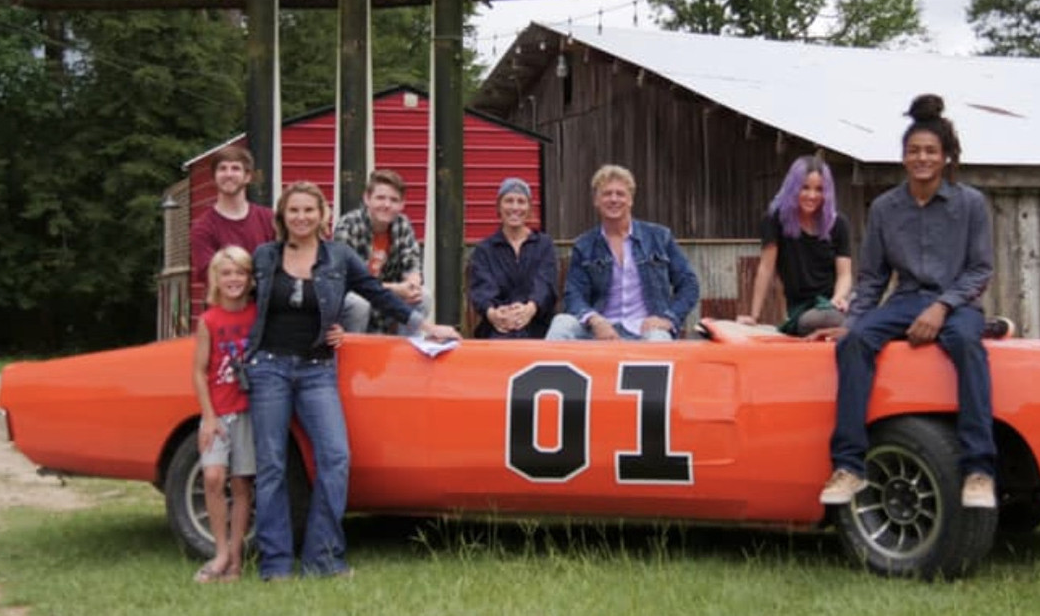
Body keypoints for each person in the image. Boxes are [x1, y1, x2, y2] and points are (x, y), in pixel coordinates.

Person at [242, 181, 459, 581]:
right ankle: (275, 563)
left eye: (309, 210)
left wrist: (426, 327)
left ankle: (322, 556)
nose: (302, 217)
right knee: (271, 465)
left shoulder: (338, 257)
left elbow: (378, 294)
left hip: (317, 369)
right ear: (282, 216)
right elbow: (236, 297)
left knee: (336, 457)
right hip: (269, 368)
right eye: (294, 211)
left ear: (323, 215)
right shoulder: (264, 256)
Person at [817, 94, 998, 510]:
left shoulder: (970, 204)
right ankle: (848, 467)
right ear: (903, 157)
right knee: (855, 343)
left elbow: (979, 270)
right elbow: (874, 276)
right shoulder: (885, 207)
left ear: (946, 157)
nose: (922, 158)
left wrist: (942, 308)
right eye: (914, 150)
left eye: (931, 151)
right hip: (905, 300)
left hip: (956, 303)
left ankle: (978, 470)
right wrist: (851, 324)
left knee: (968, 347)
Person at [546, 164, 700, 341]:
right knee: (561, 323)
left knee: (659, 340)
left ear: (631, 200)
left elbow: (689, 284)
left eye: (620, 194)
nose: (613, 199)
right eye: (606, 193)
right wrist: (595, 321)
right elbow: (573, 294)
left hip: (646, 329)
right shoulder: (584, 245)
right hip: (599, 329)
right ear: (596, 200)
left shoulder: (659, 237)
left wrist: (668, 319)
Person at [189, 246, 256, 584]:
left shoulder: (257, 315)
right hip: (219, 412)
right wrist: (209, 416)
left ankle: (236, 560)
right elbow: (200, 372)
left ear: (249, 278)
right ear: (217, 278)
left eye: (240, 273)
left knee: (242, 483)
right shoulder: (210, 320)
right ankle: (221, 551)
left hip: (248, 412)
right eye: (227, 273)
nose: (234, 279)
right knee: (214, 477)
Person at [736, 155, 852, 336]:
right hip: (805, 310)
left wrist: (838, 298)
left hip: (835, 303)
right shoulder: (774, 220)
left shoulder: (838, 224)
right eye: (805, 188)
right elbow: (766, 268)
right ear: (793, 188)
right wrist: (754, 316)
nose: (812, 195)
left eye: (819, 189)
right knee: (825, 318)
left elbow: (844, 274)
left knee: (864, 306)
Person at [332, 169, 428, 334]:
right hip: (355, 296)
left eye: (394, 200)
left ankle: (407, 354)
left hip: (388, 297)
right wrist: (397, 289)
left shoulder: (402, 224)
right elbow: (347, 280)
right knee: (359, 304)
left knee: (422, 297)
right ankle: (354, 355)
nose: (387, 205)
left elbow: (411, 262)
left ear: (402, 204)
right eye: (380, 198)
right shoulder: (348, 225)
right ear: (367, 199)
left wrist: (413, 282)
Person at [469, 177, 558, 338]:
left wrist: (530, 309)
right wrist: (494, 314)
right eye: (509, 201)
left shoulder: (544, 245)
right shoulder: (485, 250)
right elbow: (482, 289)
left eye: (521, 201)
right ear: (499, 207)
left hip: (538, 324)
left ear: (529, 208)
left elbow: (545, 283)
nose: (515, 207)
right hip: (498, 326)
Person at [191, 146, 275, 282]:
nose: (228, 174)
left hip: (264, 301)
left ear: (247, 176)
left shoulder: (269, 219)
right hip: (224, 302)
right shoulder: (203, 228)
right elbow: (210, 275)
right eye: (222, 168)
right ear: (214, 177)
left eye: (235, 168)